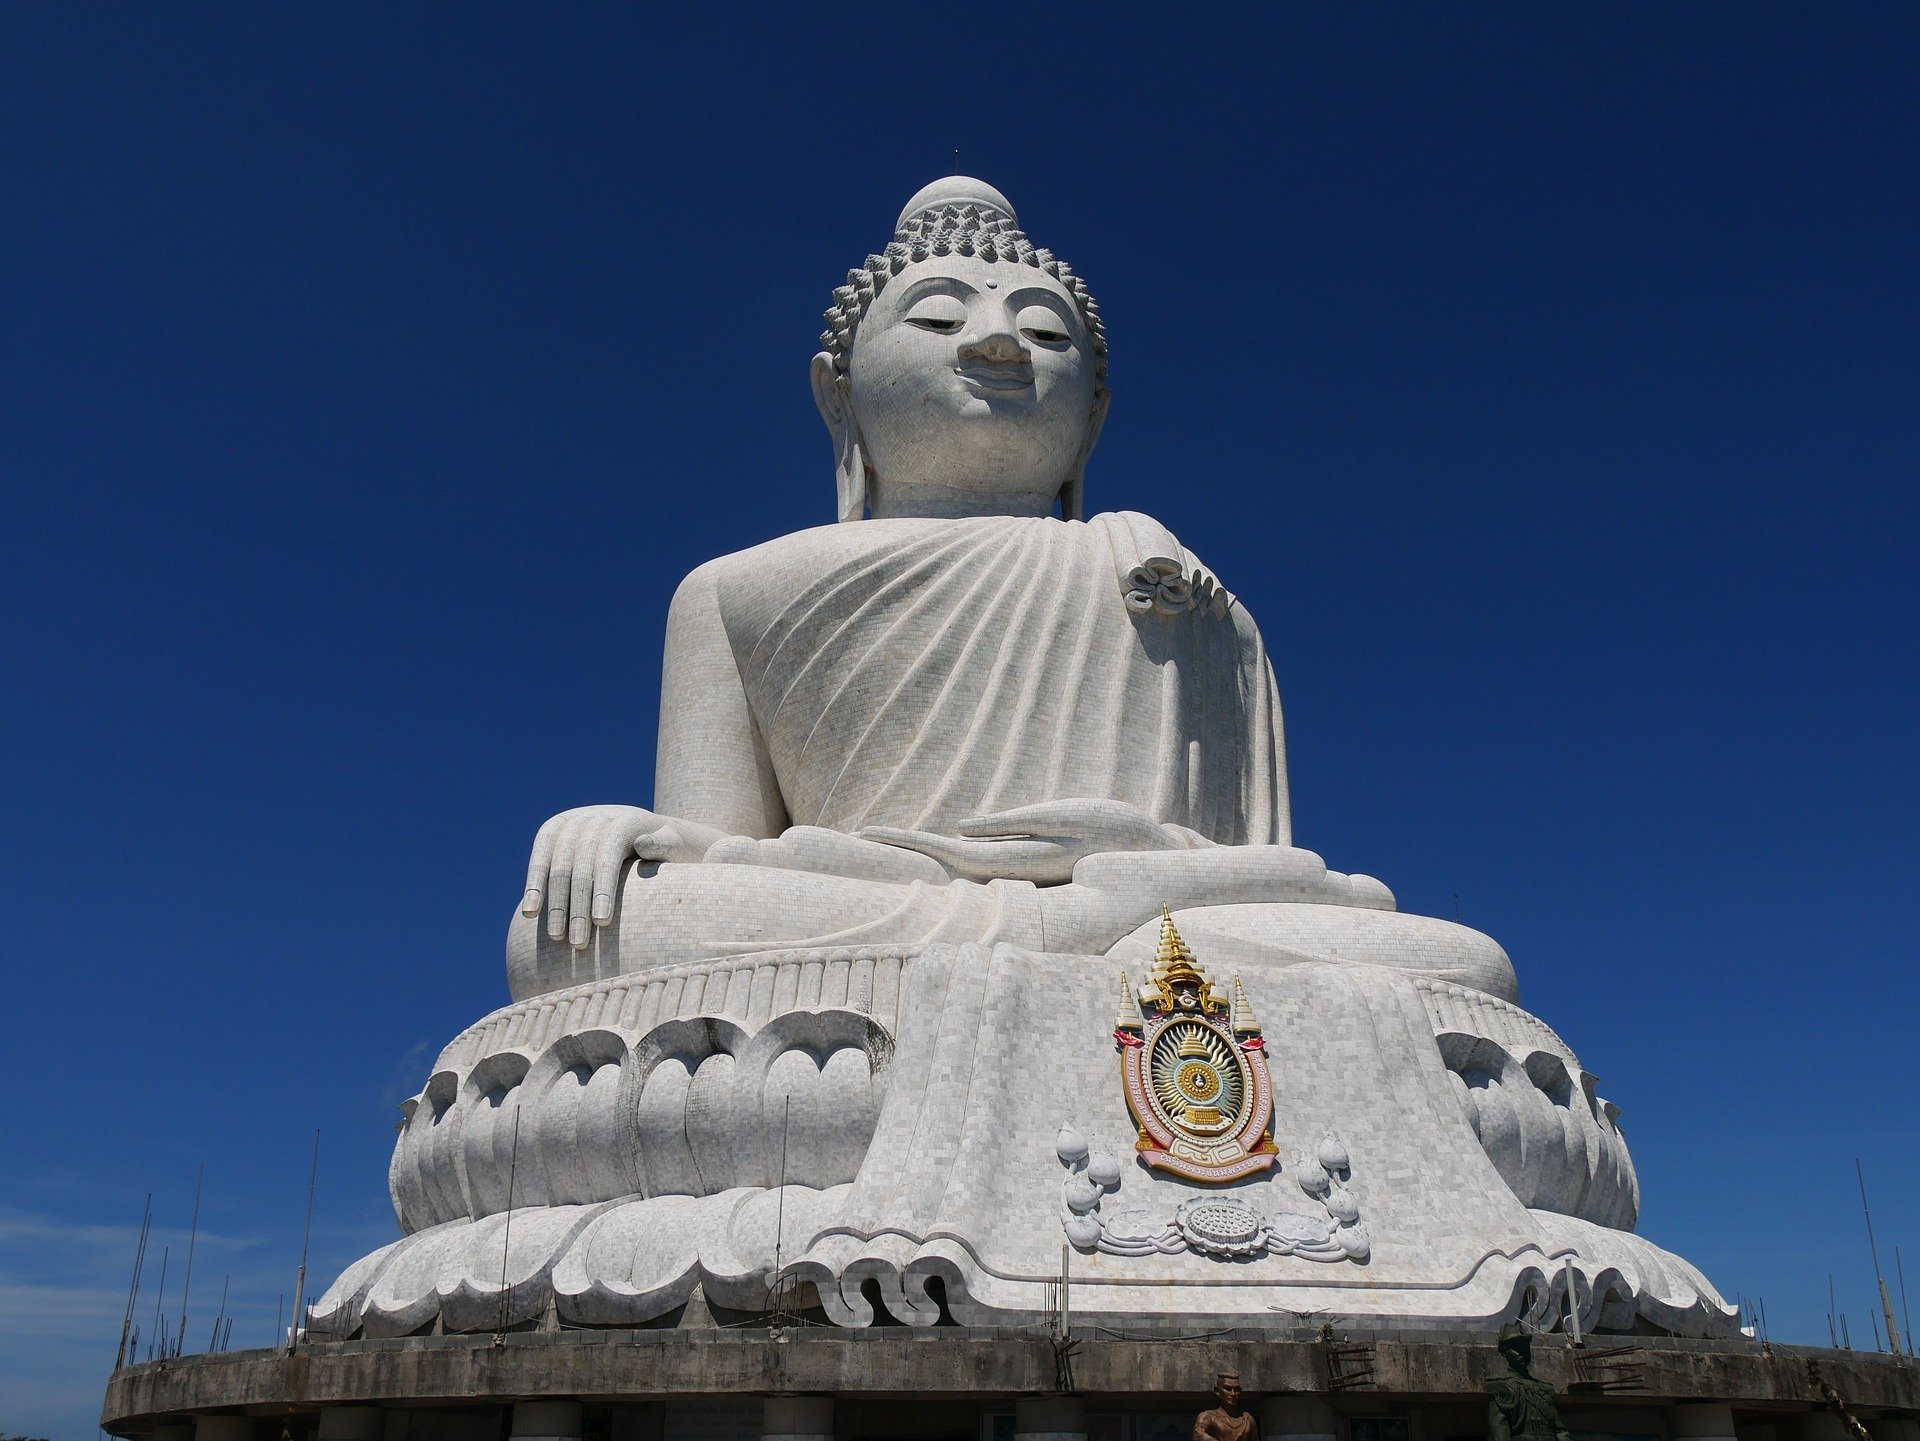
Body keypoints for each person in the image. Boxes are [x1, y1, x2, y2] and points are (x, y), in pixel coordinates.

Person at [503, 177, 1517, 1006]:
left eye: (1045, 332)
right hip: (931, 911)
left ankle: (1078, 943)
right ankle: (1076, 943)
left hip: (1155, 919)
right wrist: (627, 837)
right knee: (597, 930)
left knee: (1462, 965)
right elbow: (719, 855)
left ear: (1096, 419)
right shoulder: (731, 592)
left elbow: (1256, 864)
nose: (996, 344)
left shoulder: (1182, 591)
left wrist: (1142, 873)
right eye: (939, 315)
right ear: (837, 395)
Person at [1486, 1322, 1572, 1441]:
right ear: (1505, 1351)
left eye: (1524, 1347)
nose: (1522, 1353)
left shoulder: (1544, 1389)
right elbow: (1499, 1426)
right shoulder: (1502, 1386)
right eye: (1516, 1348)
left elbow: (1560, 1430)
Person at [1194, 1373, 1258, 1441]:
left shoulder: (1249, 1420)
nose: (1232, 1394)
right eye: (1227, 1388)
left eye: (1236, 1389)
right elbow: (1198, 1435)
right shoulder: (1207, 1416)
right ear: (1217, 1391)